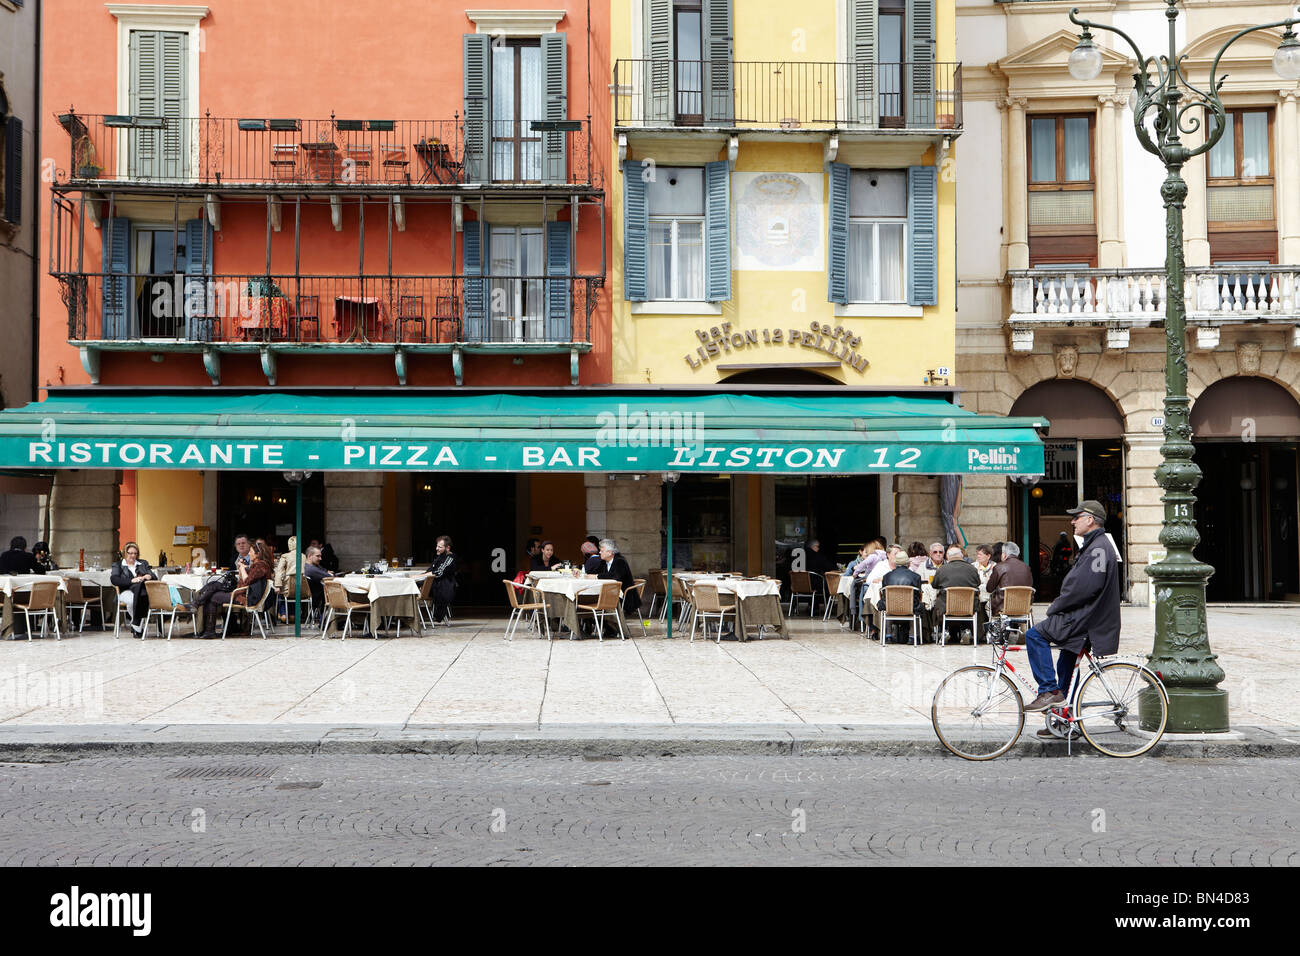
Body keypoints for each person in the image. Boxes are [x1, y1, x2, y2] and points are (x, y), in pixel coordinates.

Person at [1023, 501, 1122, 722]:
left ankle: (1049, 690)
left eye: (1077, 517)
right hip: (1088, 615)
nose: (1072, 521)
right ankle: (1065, 719)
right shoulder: (1096, 544)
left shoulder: (1098, 547)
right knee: (1066, 660)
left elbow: (1085, 587)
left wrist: (1056, 606)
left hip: (1084, 616)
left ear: (1090, 519)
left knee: (1034, 635)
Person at [197, 539, 273, 638]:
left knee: (213, 597)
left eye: (251, 552)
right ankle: (208, 627)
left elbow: (246, 581)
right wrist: (243, 569)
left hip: (247, 598)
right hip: (245, 594)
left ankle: (209, 629)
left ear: (258, 554)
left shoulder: (261, 566)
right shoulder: (259, 565)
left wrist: (242, 568)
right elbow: (244, 581)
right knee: (214, 584)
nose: (249, 554)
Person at [931, 545, 981, 643]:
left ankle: (944, 631)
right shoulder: (972, 569)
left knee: (937, 605)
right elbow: (978, 583)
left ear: (948, 557)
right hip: (968, 607)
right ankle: (967, 630)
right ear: (961, 556)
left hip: (947, 607)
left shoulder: (942, 569)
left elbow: (934, 585)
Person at [876, 548, 923, 643]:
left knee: (888, 604)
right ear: (908, 563)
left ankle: (888, 636)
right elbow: (918, 595)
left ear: (896, 563)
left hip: (891, 607)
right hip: (909, 608)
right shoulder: (916, 577)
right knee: (916, 606)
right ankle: (912, 637)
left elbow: (885, 595)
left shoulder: (886, 576)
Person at [110, 542, 156, 637]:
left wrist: (149, 576)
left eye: (135, 553)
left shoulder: (143, 563)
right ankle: (137, 626)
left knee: (141, 597)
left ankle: (136, 625)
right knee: (132, 601)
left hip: (141, 591)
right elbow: (114, 579)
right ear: (125, 553)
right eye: (130, 553)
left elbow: (154, 576)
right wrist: (131, 580)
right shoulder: (118, 565)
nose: (133, 556)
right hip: (125, 590)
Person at [987, 541, 1033, 616]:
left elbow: (989, 588)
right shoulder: (1026, 567)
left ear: (1004, 554)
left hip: (1003, 607)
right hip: (1024, 607)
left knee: (986, 606)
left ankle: (993, 627)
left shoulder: (999, 567)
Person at [596, 538, 639, 616]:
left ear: (609, 552)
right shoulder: (604, 562)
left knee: (596, 601)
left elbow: (615, 577)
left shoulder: (620, 561)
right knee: (592, 599)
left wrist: (596, 576)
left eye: (602, 551)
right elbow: (596, 572)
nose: (599, 552)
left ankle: (607, 624)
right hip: (611, 594)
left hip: (625, 597)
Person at [426, 535, 457, 624]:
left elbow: (438, 572)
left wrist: (416, 577)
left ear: (447, 548)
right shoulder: (439, 557)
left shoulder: (451, 558)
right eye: (437, 546)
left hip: (444, 588)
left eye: (440, 547)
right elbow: (430, 570)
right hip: (435, 586)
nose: (437, 548)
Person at [301, 545, 332, 610]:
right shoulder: (311, 569)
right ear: (309, 556)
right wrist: (328, 573)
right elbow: (330, 576)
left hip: (317, 598)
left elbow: (326, 572)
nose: (320, 558)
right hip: (317, 599)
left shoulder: (314, 566)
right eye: (318, 556)